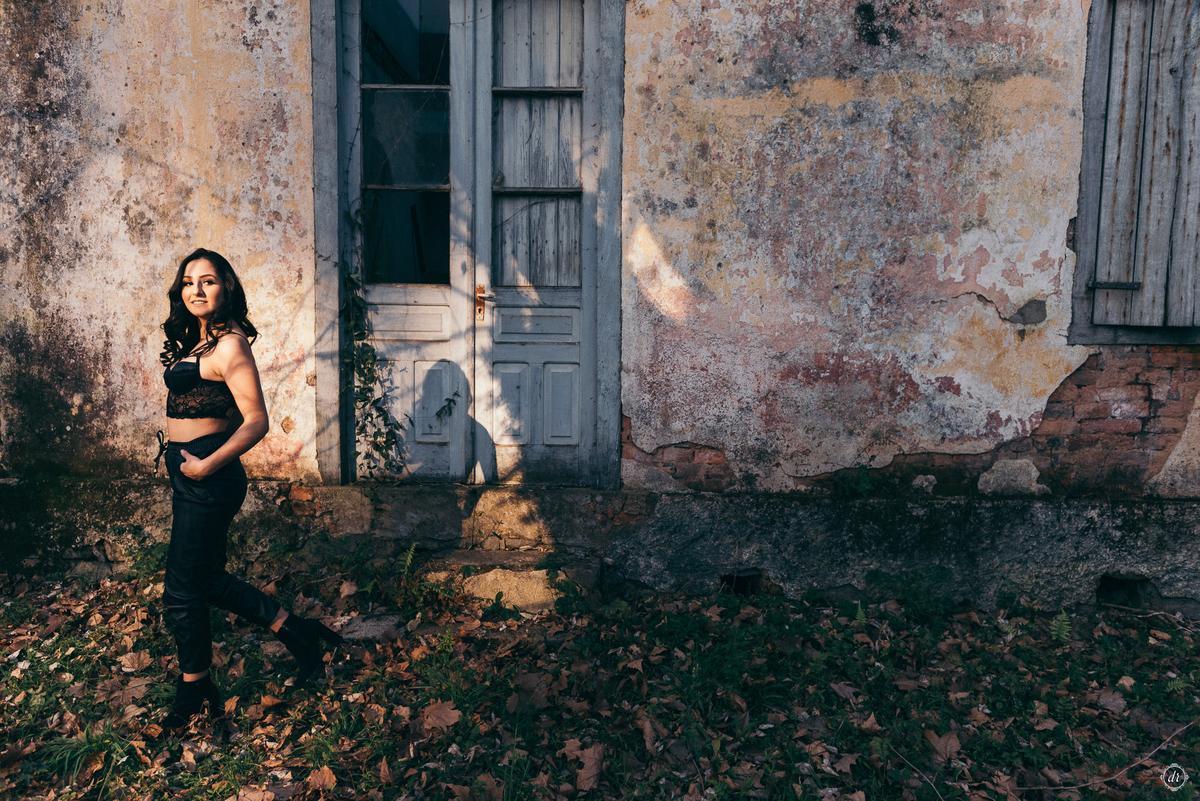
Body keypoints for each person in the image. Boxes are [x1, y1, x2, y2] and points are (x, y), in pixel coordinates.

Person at [157, 248, 341, 728]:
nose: (196, 290)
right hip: (190, 474)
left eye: (208, 281)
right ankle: (296, 630)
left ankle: (195, 688)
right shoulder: (195, 342)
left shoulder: (231, 345)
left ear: (226, 288)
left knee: (180, 591)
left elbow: (256, 422)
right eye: (188, 281)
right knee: (205, 579)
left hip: (211, 478)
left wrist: (205, 466)